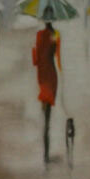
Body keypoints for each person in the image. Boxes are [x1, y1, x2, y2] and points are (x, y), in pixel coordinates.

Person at [32, 19, 61, 163]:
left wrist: (34, 50)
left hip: (42, 77)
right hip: (52, 77)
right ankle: (46, 152)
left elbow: (35, 60)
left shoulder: (39, 35)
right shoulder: (55, 34)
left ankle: (46, 153)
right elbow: (56, 54)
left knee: (45, 115)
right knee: (47, 117)